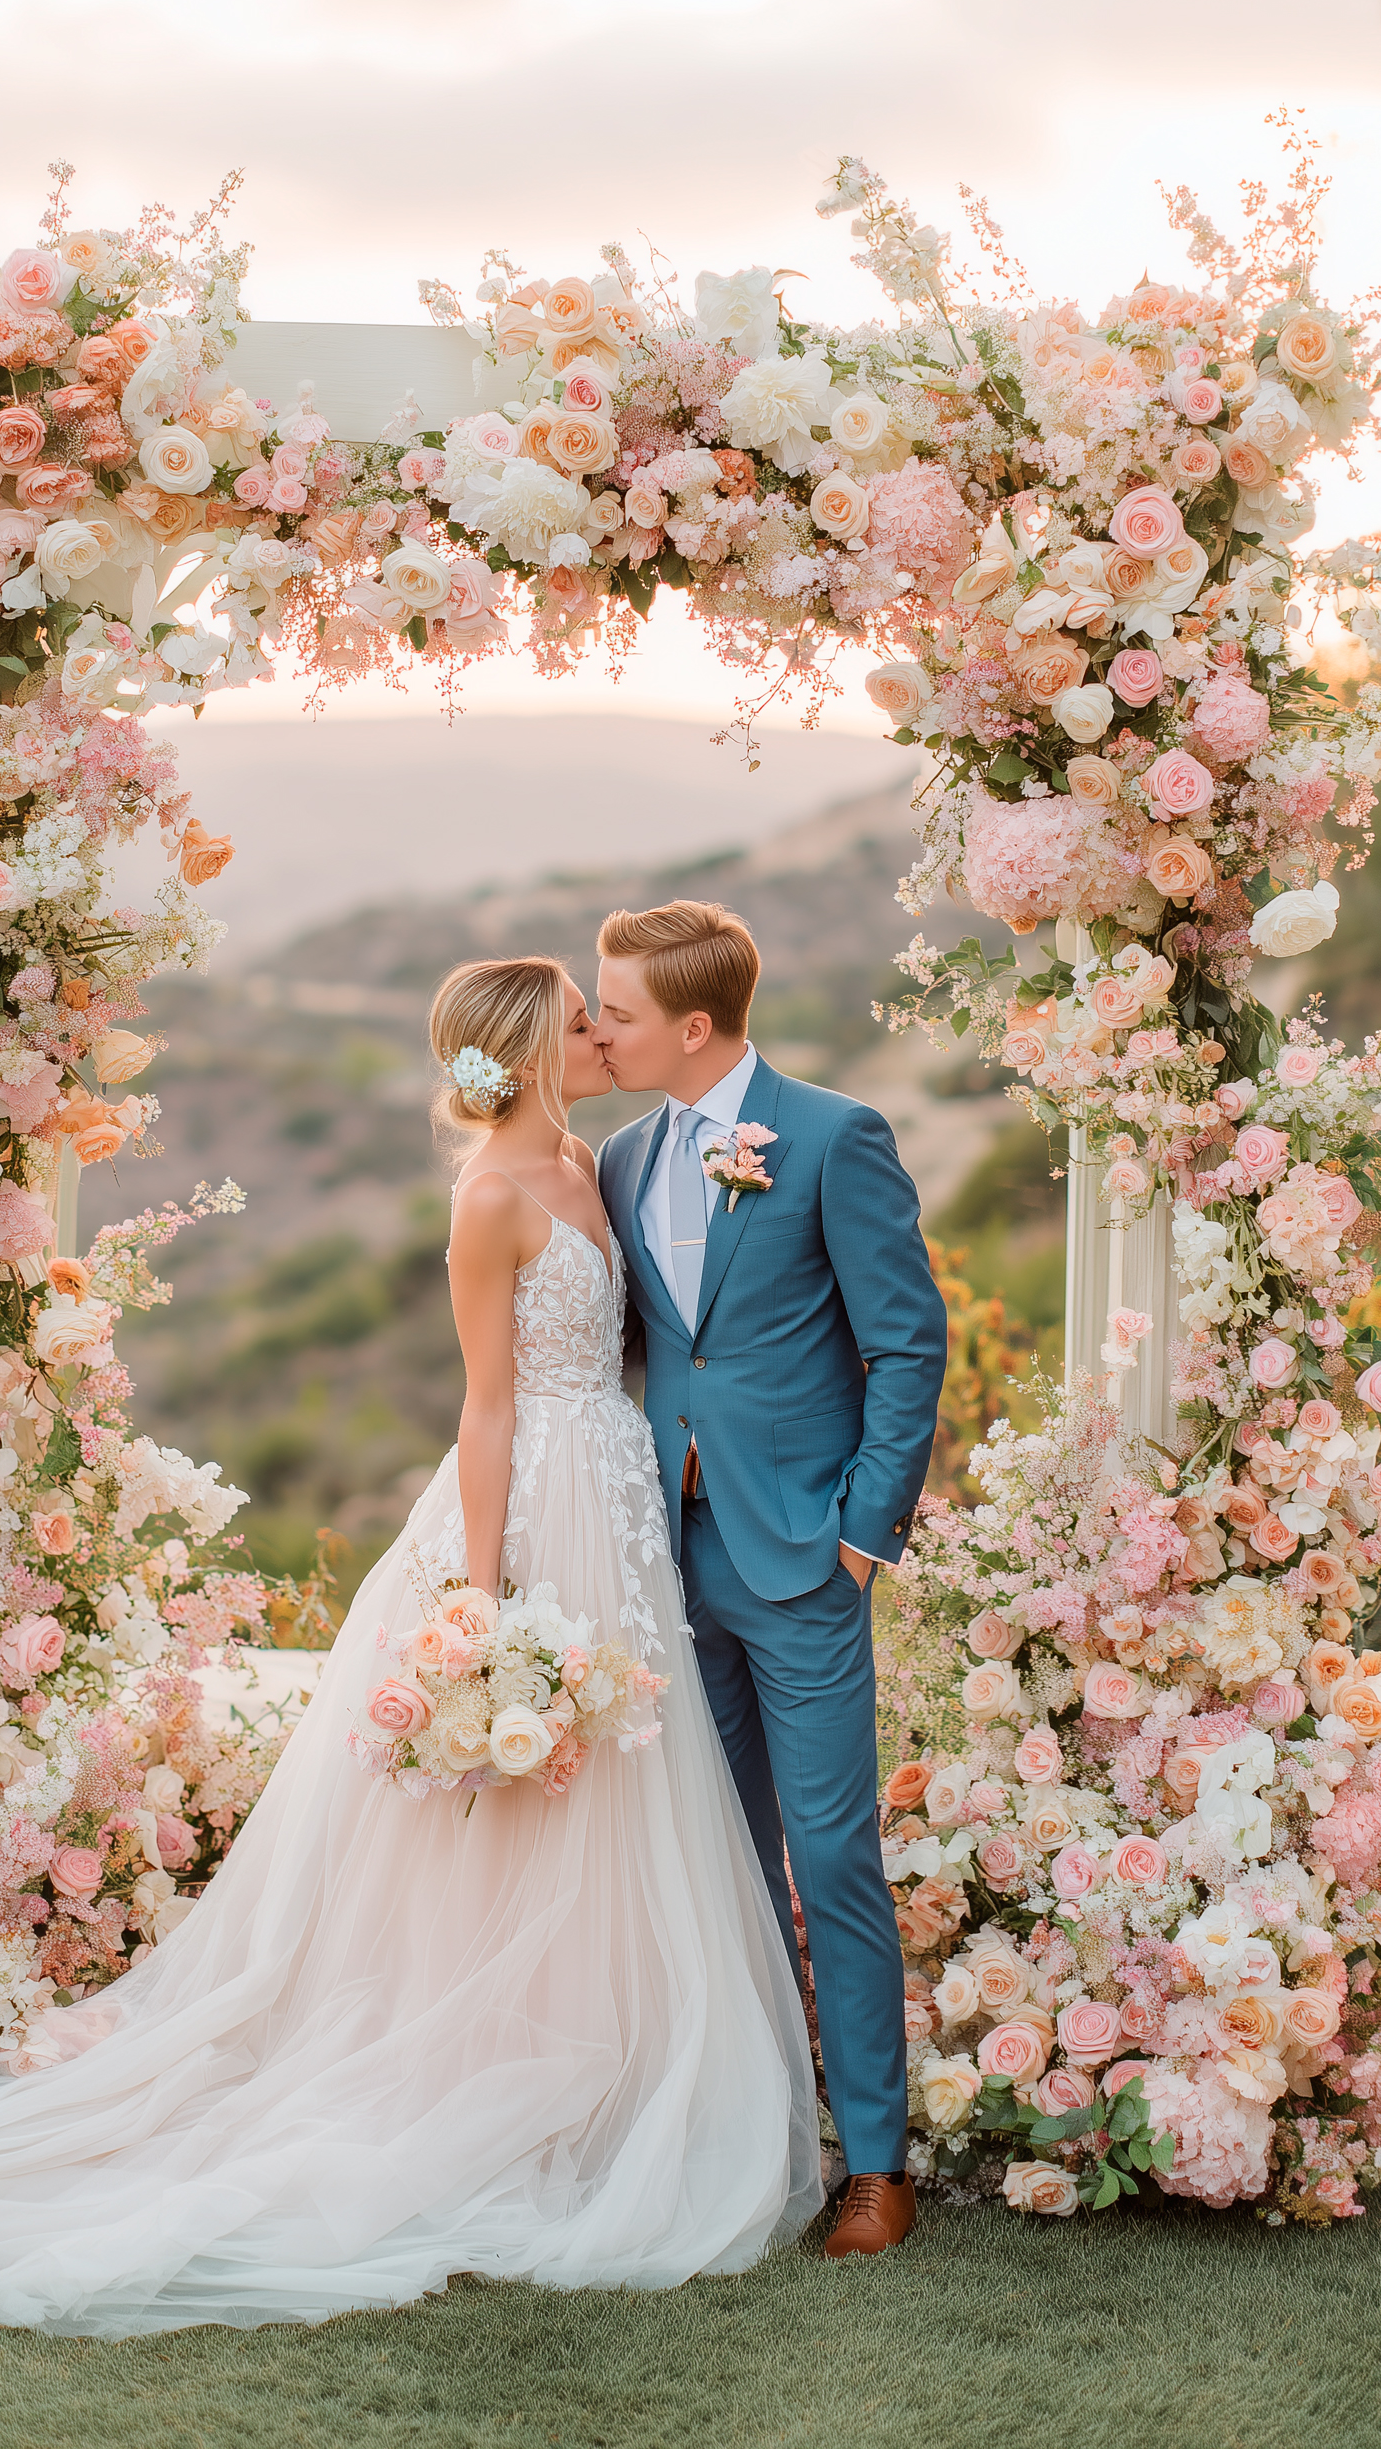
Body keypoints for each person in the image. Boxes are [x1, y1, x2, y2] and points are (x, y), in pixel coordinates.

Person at [0, 957, 820, 2335]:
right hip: (532, 1512)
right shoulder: (488, 1199)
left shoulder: (594, 1163)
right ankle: (494, 2071)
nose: (600, 1037)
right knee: (516, 1816)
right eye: (580, 1025)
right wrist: (482, 1606)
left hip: (618, 1499)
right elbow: (485, 1408)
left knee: (616, 1793)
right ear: (530, 1053)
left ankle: (608, 2073)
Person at [596, 901, 947, 2258]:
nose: (601, 1031)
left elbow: (904, 1345)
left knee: (832, 1856)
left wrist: (862, 1533)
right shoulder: (622, 1156)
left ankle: (875, 2165)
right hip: (666, 1555)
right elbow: (651, 1347)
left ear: (693, 1025)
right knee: (714, 1855)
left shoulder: (833, 1137)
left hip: (803, 1557)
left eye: (619, 1012)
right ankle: (750, 2141)